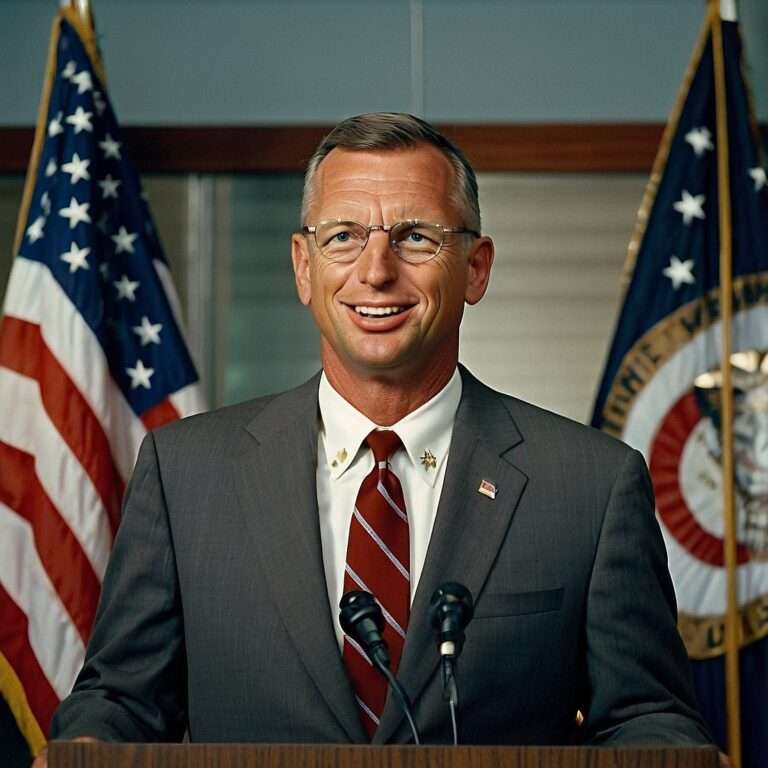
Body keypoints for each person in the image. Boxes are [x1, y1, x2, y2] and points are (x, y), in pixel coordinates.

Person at [43, 113, 712, 754]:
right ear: (304, 267)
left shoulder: (590, 487)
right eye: (343, 237)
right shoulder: (185, 475)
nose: (376, 270)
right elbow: (122, 703)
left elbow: (647, 718)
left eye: (416, 236)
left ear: (476, 268)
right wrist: (85, 746)